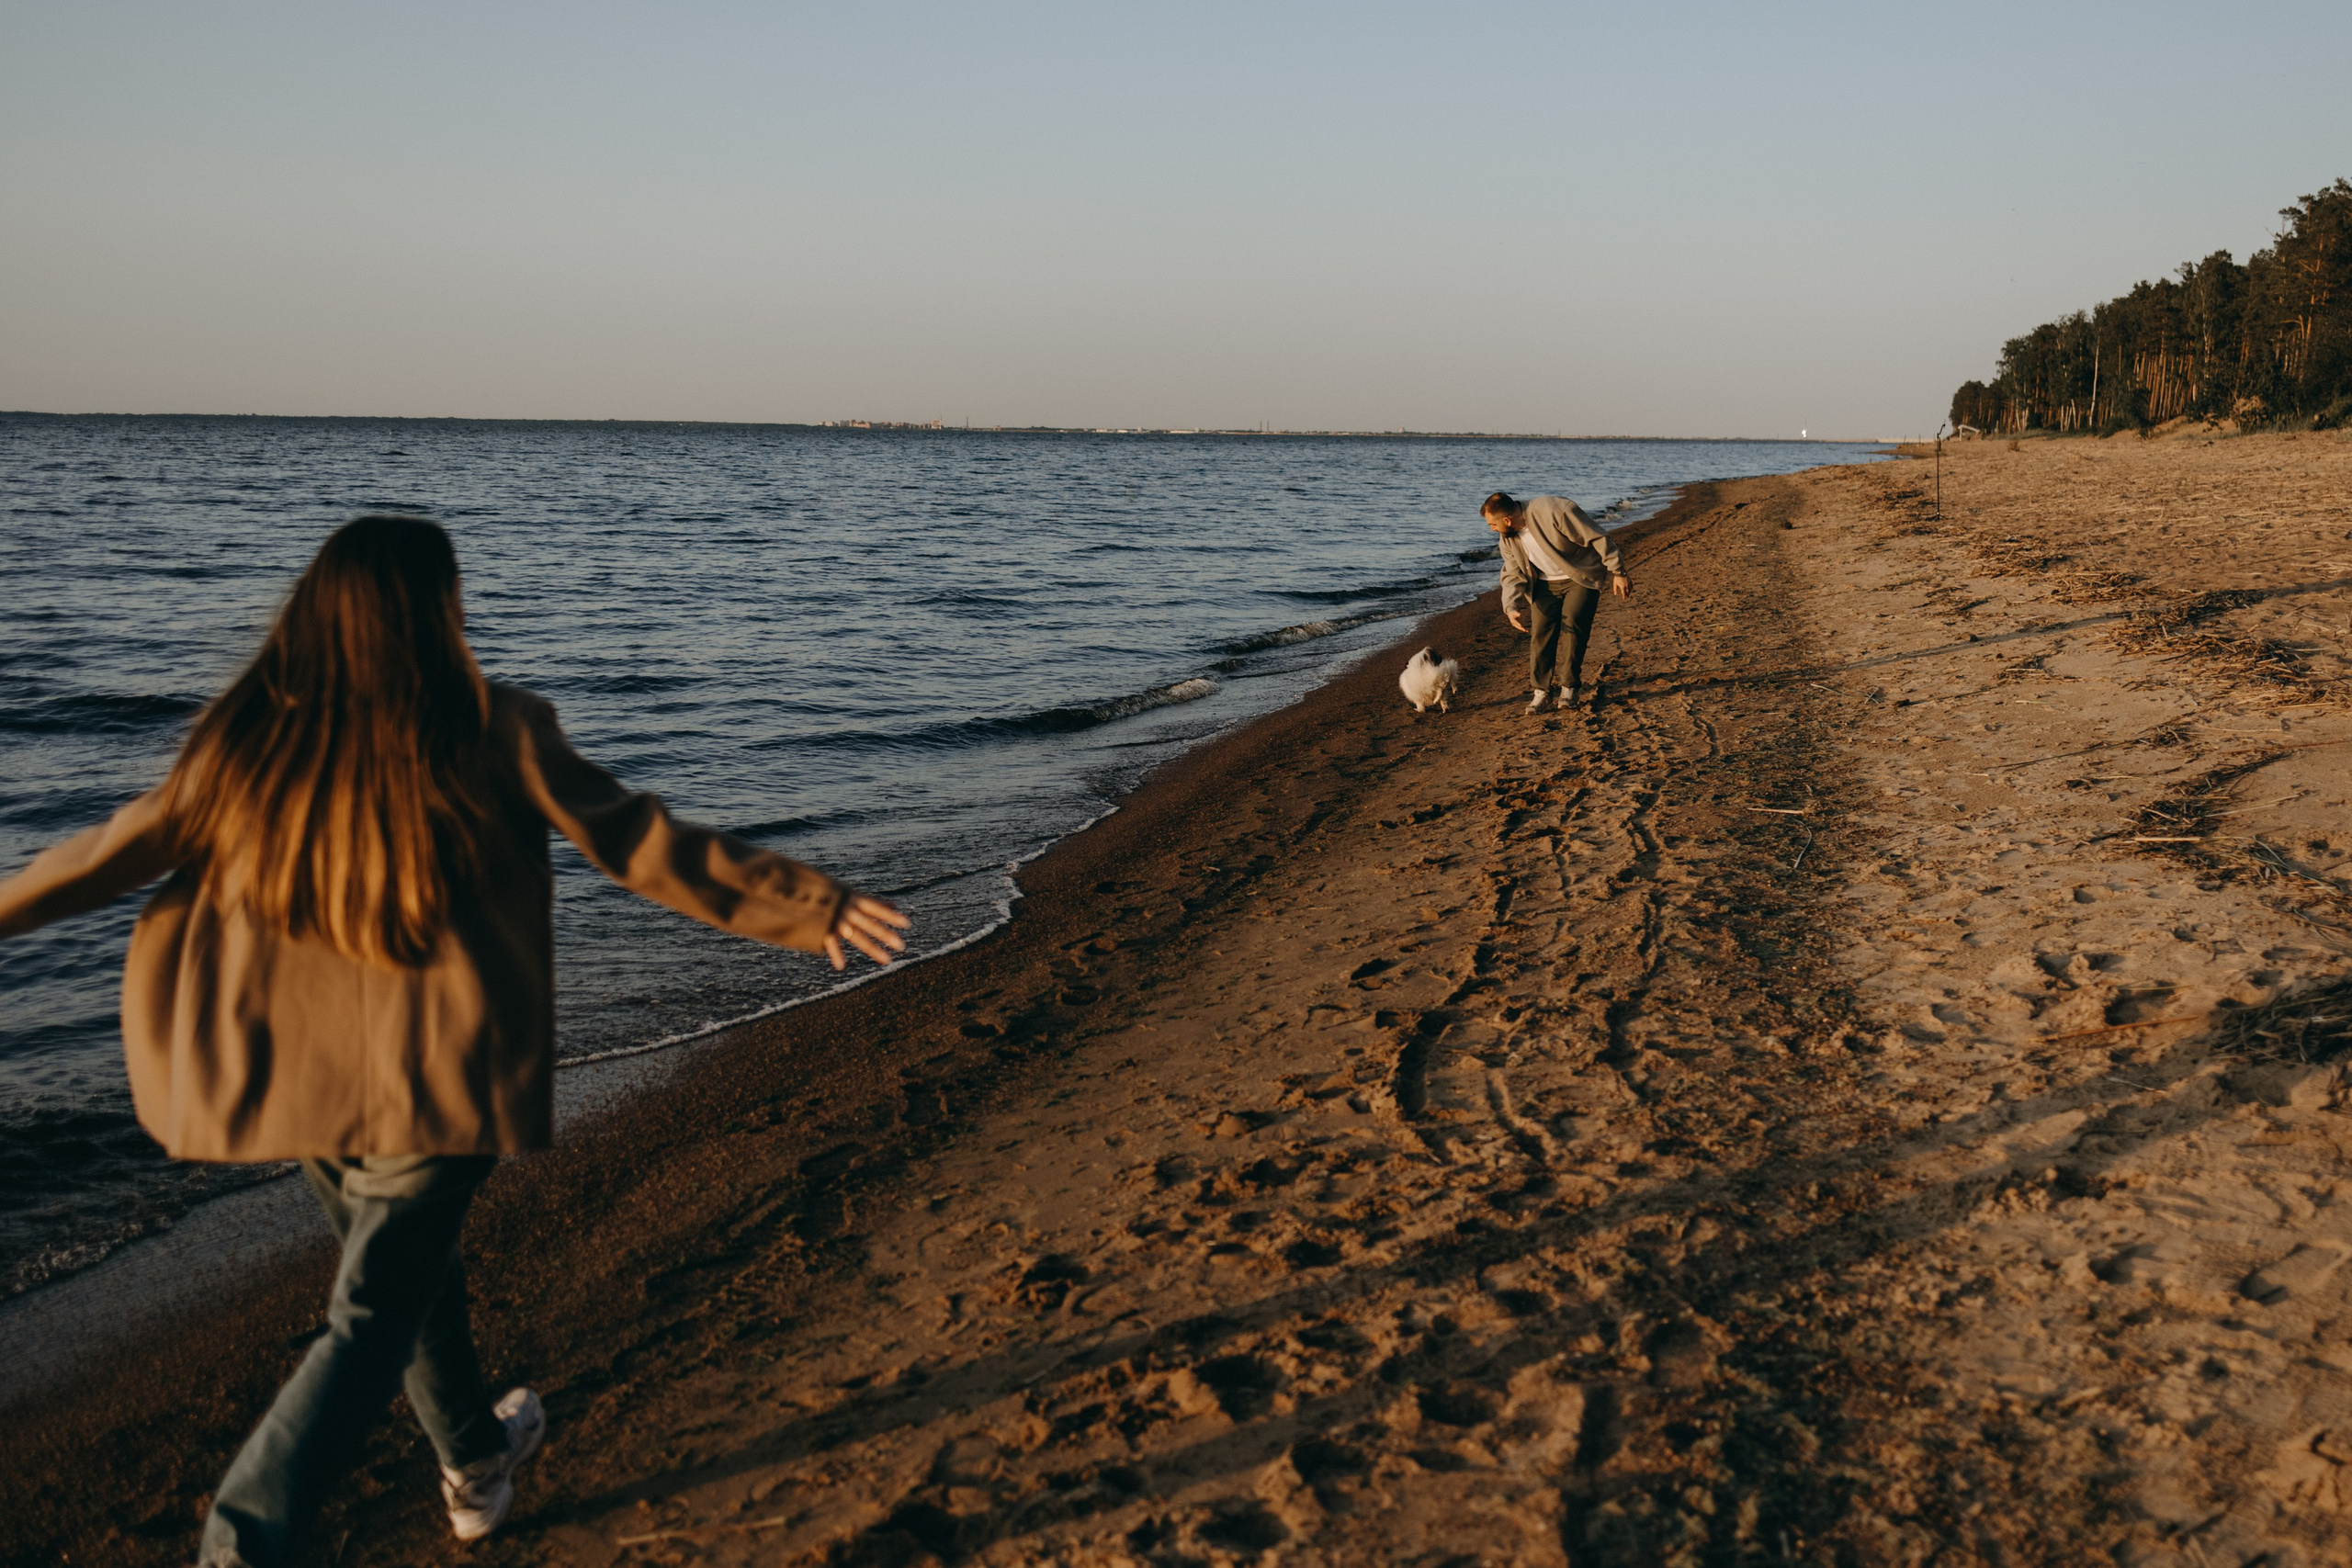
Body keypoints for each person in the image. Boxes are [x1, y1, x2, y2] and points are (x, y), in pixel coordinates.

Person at [0, 515, 910, 1568]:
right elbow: (640, 844)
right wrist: (806, 905)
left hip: (295, 1078)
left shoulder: (249, 742)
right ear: (435, 612)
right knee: (377, 1311)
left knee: (408, 1279)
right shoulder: (494, 727)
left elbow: (102, 857)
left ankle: (475, 1461)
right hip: (432, 1083)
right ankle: (243, 1541)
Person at [1484, 490, 1632, 713]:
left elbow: (1597, 536)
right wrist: (1511, 606)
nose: (1492, 529)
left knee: (1573, 626)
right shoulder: (1508, 538)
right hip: (1543, 584)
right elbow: (1512, 573)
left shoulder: (1554, 511)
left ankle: (1569, 688)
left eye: (1493, 524)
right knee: (1541, 635)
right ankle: (1541, 692)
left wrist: (1618, 571)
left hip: (1579, 576)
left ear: (1507, 519)